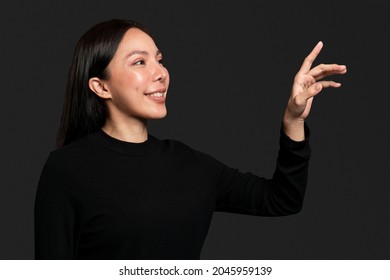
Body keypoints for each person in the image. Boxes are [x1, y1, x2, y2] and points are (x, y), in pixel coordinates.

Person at [34, 19, 347, 260]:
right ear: (101, 87)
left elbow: (282, 199)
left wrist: (294, 119)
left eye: (159, 59)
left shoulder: (190, 165)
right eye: (140, 62)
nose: (161, 73)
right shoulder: (68, 170)